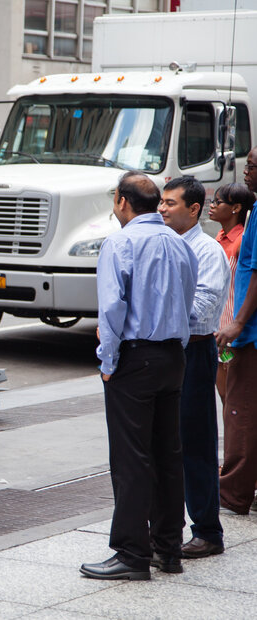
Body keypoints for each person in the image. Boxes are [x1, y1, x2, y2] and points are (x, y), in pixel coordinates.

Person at [80, 172, 197, 580]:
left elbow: (112, 309)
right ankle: (169, 548)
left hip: (136, 358)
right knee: (168, 454)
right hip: (172, 356)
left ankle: (132, 553)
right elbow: (188, 302)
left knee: (131, 459)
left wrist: (107, 362)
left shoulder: (120, 243)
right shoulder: (179, 243)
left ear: (122, 202)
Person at [159, 176, 229, 560]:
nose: (162, 209)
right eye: (162, 202)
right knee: (165, 442)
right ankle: (167, 527)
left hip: (195, 351)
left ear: (194, 209)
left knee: (196, 443)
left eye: (171, 203)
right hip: (165, 350)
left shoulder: (206, 251)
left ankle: (207, 531)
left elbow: (201, 308)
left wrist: (157, 313)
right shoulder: (163, 243)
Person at [215, 146, 257, 516]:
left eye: (253, 166)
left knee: (239, 412)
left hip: (245, 333)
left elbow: (255, 273)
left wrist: (238, 323)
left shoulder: (248, 228)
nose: (246, 169)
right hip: (239, 331)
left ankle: (233, 491)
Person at [210, 183, 254, 404]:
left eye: (217, 202)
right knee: (224, 394)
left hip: (233, 330)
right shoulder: (219, 237)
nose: (211, 205)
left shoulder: (241, 241)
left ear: (236, 208)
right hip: (219, 330)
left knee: (232, 396)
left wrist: (237, 324)